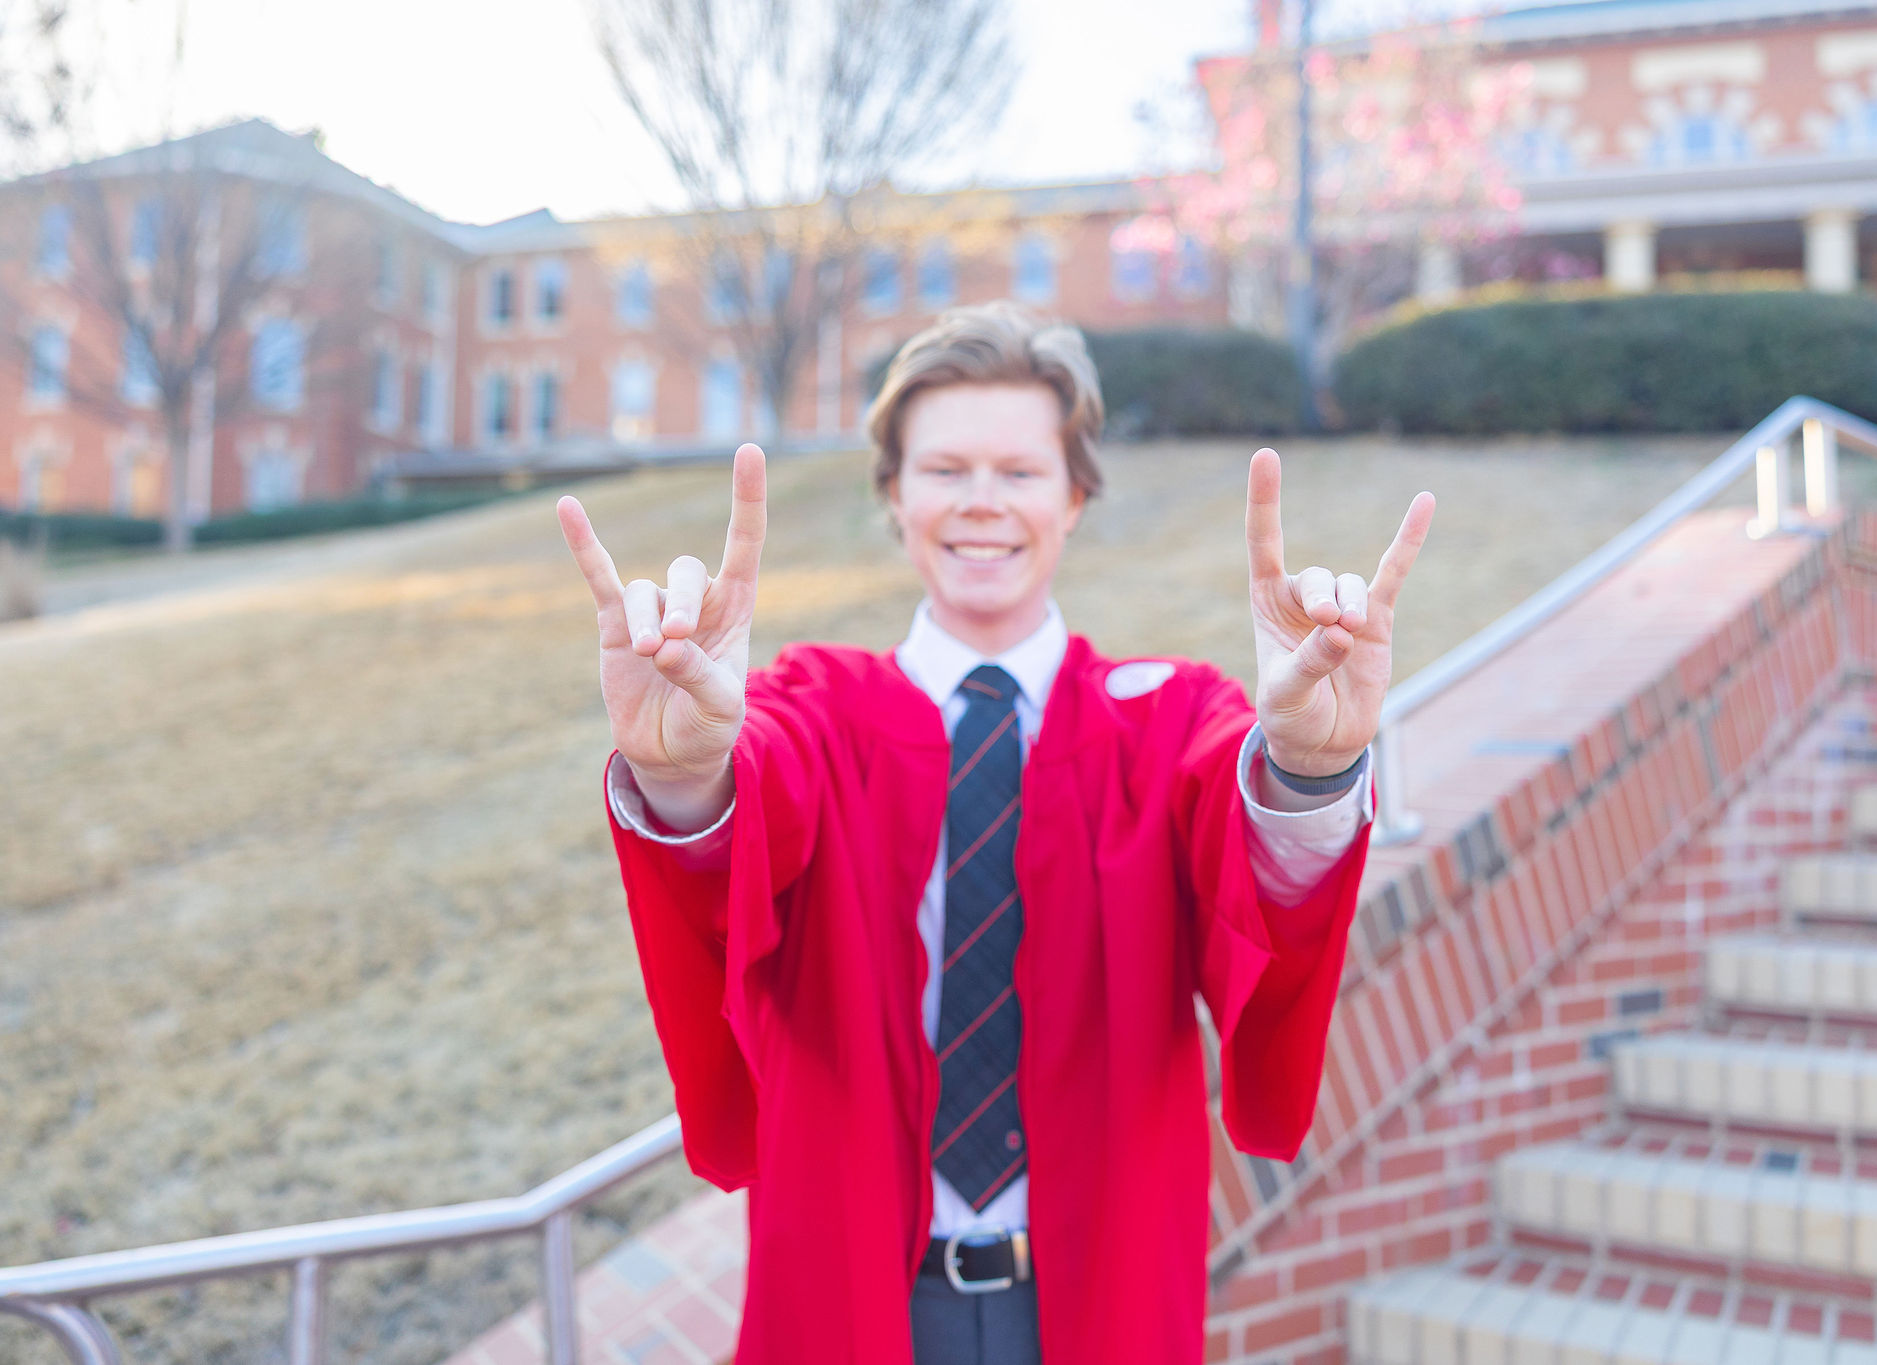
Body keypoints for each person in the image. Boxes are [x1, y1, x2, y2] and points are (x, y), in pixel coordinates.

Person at [558, 302, 1433, 1365]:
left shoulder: (1162, 722)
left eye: (1019, 472)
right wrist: (685, 770)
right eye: (943, 469)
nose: (981, 504)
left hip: (1093, 1302)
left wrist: (1307, 762)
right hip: (849, 1297)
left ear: (1073, 497)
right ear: (893, 495)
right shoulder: (812, 712)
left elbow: (1256, 866)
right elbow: (736, 835)